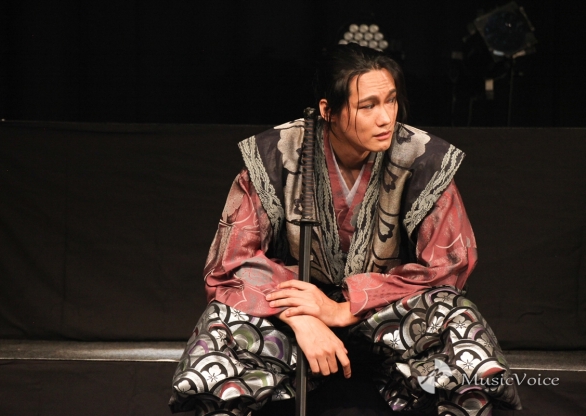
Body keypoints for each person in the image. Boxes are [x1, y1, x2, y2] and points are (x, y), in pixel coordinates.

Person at [169, 44, 521, 416]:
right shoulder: (277, 154)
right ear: (328, 111)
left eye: (391, 101)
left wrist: (344, 308)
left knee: (458, 321)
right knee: (220, 328)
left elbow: (449, 264)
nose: (385, 118)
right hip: (295, 320)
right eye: (368, 106)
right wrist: (303, 316)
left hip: (384, 319)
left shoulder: (422, 157)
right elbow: (232, 261)